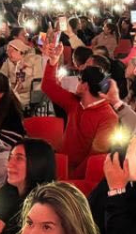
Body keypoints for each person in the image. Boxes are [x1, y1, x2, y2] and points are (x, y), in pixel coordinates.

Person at [41, 42, 117, 177]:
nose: (77, 82)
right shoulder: (75, 102)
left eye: (79, 79)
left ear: (85, 85)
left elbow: (95, 156)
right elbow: (48, 87)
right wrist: (53, 61)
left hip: (80, 176)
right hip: (61, 166)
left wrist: (70, 178)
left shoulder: (108, 117)